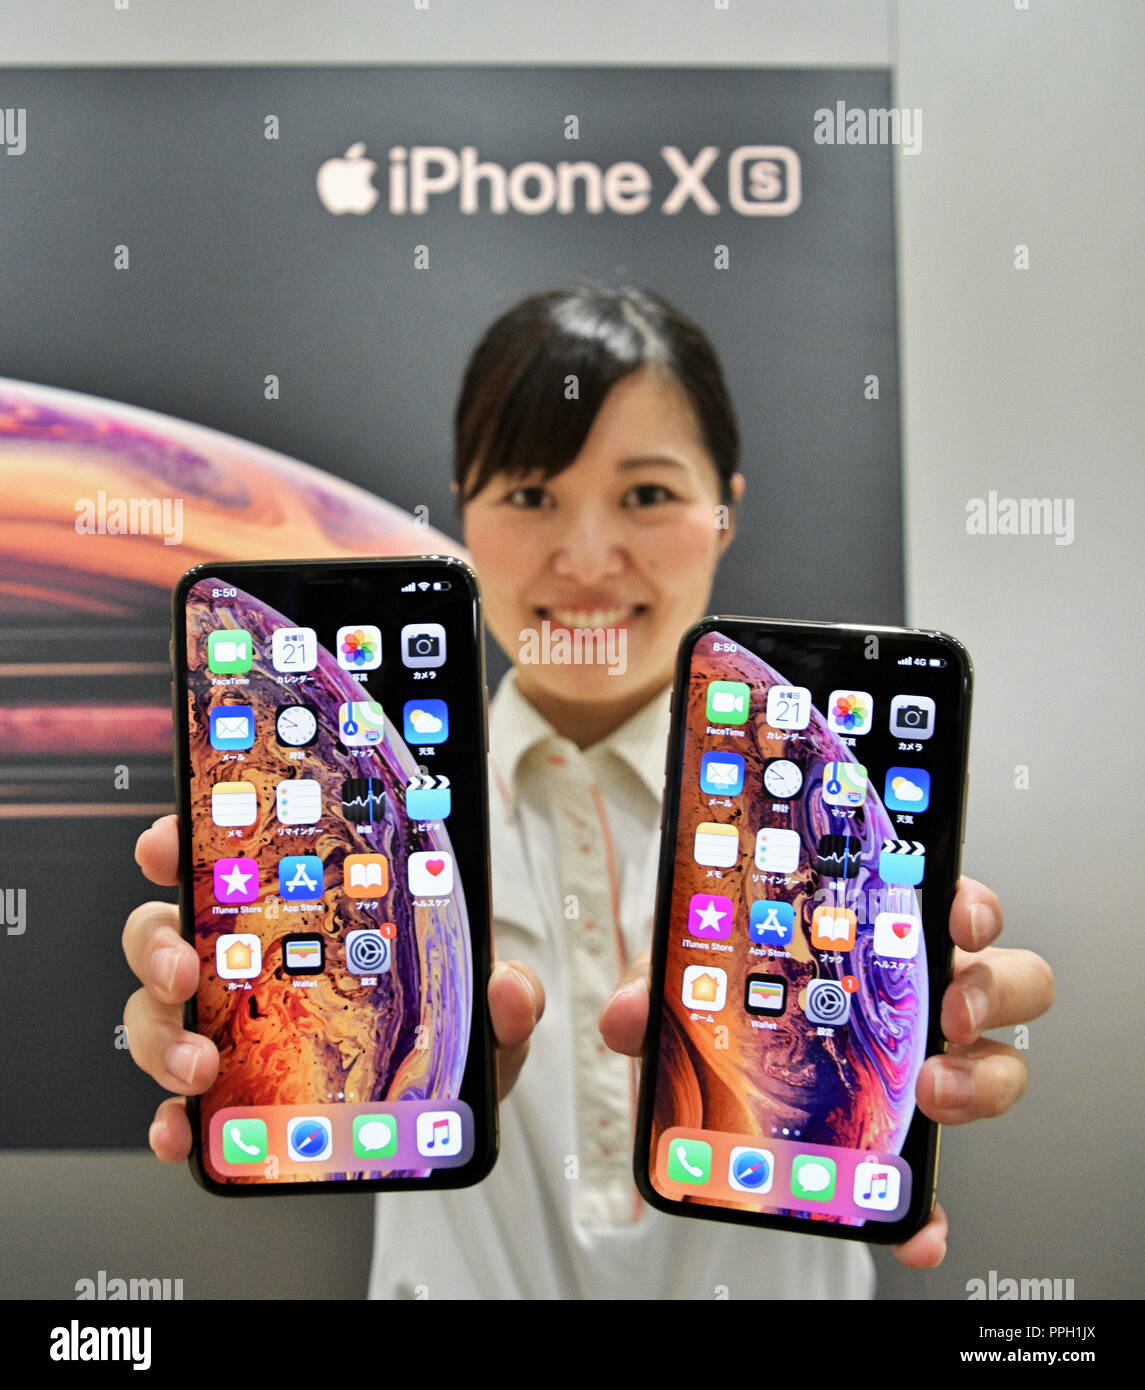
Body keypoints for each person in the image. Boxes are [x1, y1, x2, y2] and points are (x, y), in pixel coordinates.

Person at [124, 283, 1054, 1298]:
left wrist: (918, 1066)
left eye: (646, 495)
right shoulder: (354, 818)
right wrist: (230, 1028)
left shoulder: (844, 838)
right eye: (530, 496)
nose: (586, 558)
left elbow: (872, 1069)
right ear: (464, 517)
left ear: (724, 511)